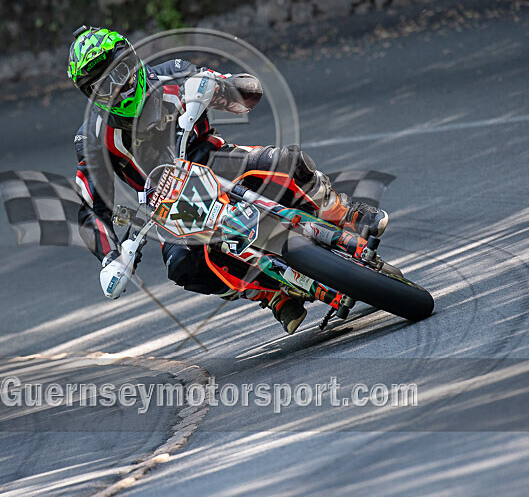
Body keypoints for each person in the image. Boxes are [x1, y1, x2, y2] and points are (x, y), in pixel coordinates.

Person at [68, 26, 387, 334]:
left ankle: (344, 214)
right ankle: (268, 293)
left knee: (285, 162)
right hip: (165, 205)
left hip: (215, 160)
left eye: (119, 74)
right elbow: (91, 205)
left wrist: (219, 87)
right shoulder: (92, 139)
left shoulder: (173, 73)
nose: (116, 89)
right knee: (181, 266)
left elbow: (248, 96)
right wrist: (111, 257)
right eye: (101, 87)